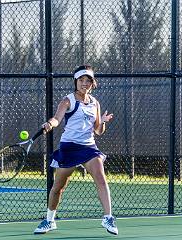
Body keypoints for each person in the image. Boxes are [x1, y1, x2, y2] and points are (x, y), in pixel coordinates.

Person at [33, 65, 118, 235]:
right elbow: (57, 119)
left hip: (88, 147)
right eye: (81, 80)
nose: (84, 83)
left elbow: (97, 131)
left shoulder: (95, 103)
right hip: (69, 147)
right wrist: (50, 124)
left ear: (92, 83)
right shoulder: (68, 100)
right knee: (58, 187)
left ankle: (108, 217)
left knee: (101, 178)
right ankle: (50, 220)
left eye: (88, 81)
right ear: (76, 82)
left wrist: (102, 121)